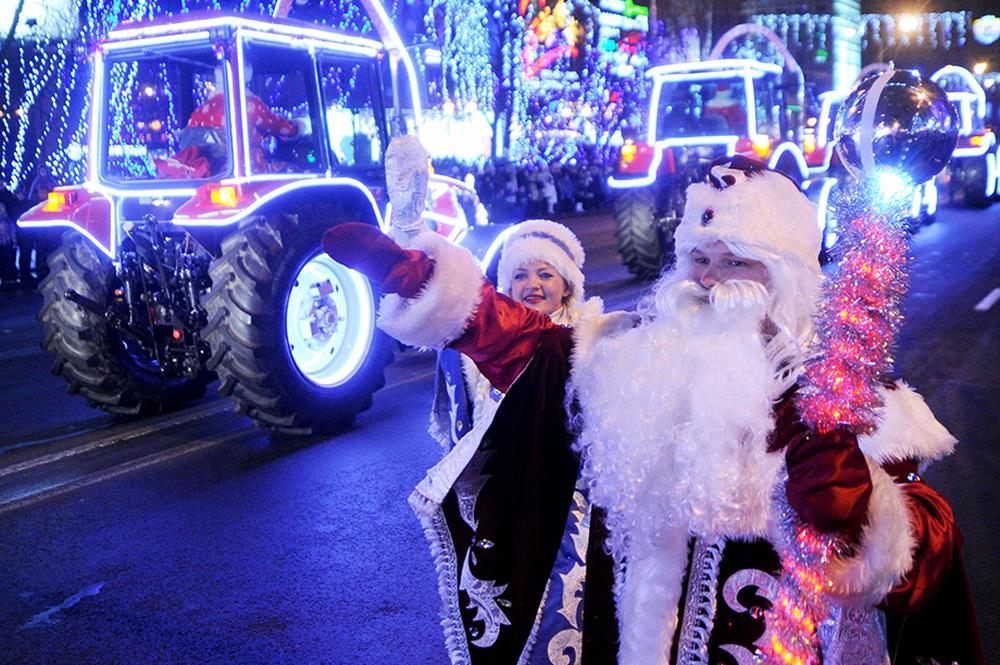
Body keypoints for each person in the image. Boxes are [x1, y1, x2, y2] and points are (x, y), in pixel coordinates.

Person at [321, 156, 982, 664]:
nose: (709, 277)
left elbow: (929, 548)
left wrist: (862, 512)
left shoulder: (847, 402)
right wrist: (432, 290)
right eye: (699, 257)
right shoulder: (634, 356)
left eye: (736, 261)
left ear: (784, 280)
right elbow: (531, 347)